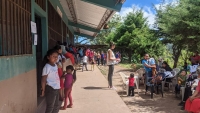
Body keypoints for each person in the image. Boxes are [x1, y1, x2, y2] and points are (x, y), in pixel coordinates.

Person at [41, 49, 60, 113]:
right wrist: (43, 90)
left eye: (56, 57)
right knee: (50, 107)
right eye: (53, 56)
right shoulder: (47, 67)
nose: (55, 58)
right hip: (51, 88)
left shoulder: (55, 65)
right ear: (48, 57)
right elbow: (43, 79)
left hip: (56, 87)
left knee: (56, 106)